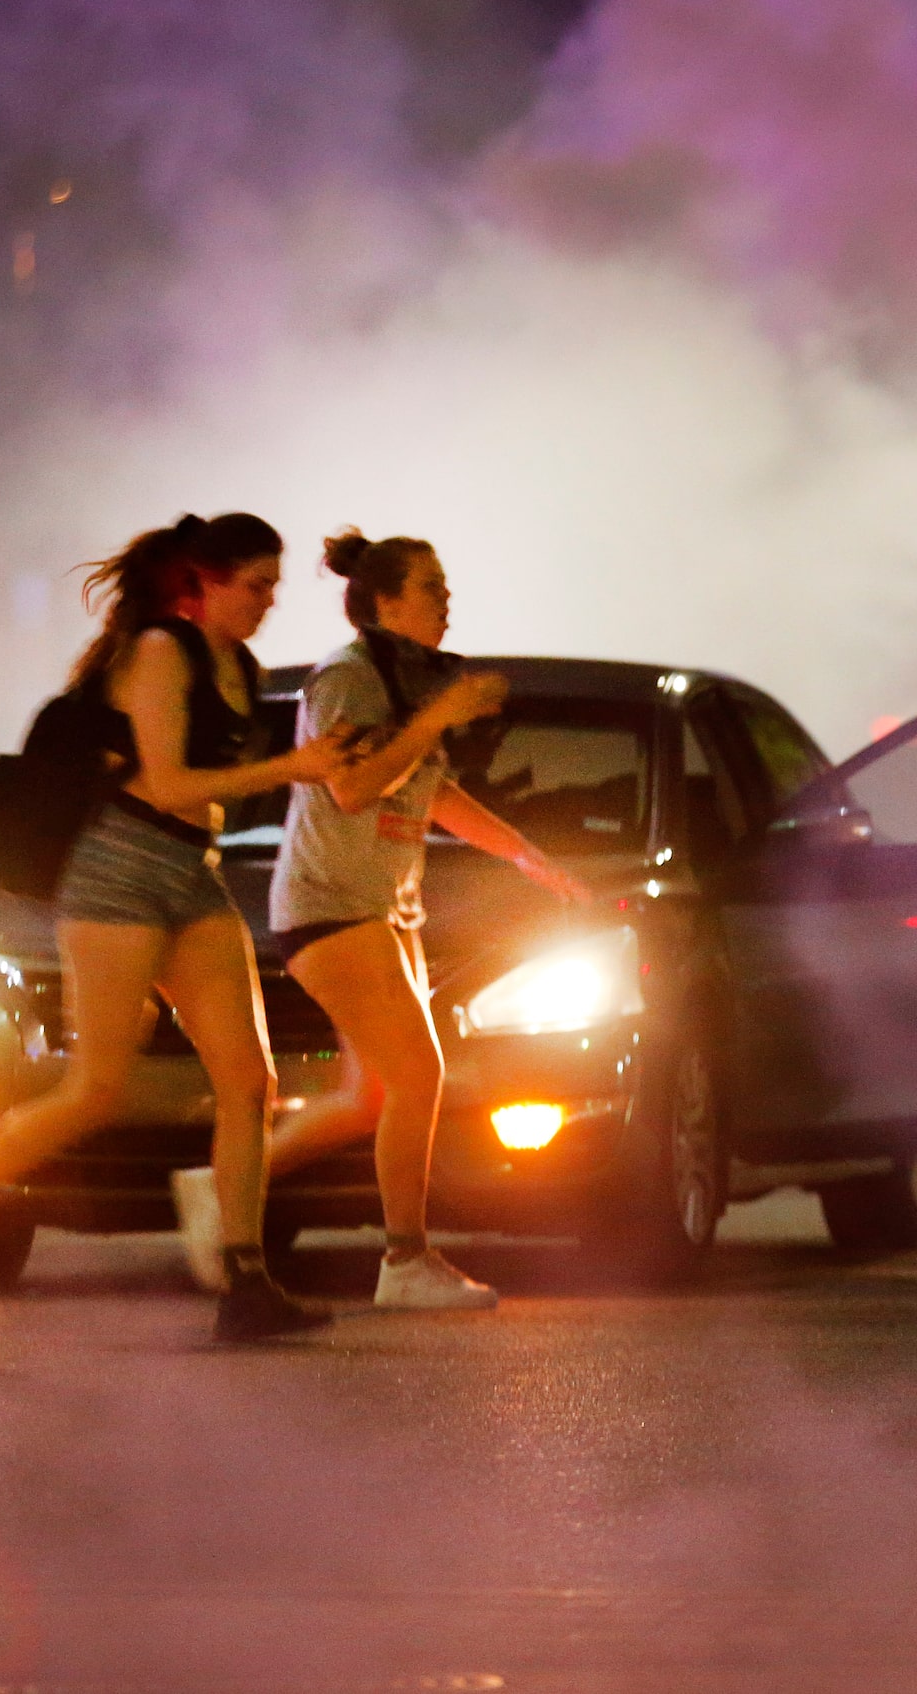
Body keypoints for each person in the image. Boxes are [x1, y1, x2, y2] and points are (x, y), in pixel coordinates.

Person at [0, 514, 351, 1342]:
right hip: (119, 874)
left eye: (274, 587)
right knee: (96, 1088)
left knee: (248, 1082)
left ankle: (245, 1281)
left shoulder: (240, 666)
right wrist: (299, 767)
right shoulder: (158, 652)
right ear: (203, 582)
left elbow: (210, 795)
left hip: (190, 874)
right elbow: (172, 783)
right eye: (255, 584)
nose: (266, 602)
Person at [172, 529, 592, 1310]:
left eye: (444, 587)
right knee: (420, 1074)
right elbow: (354, 787)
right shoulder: (348, 679)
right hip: (330, 905)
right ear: (386, 602)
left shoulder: (405, 682)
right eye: (431, 587)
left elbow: (430, 793)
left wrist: (531, 857)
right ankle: (405, 1260)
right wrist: (439, 717)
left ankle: (220, 1184)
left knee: (370, 1097)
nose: (446, 601)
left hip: (382, 909)